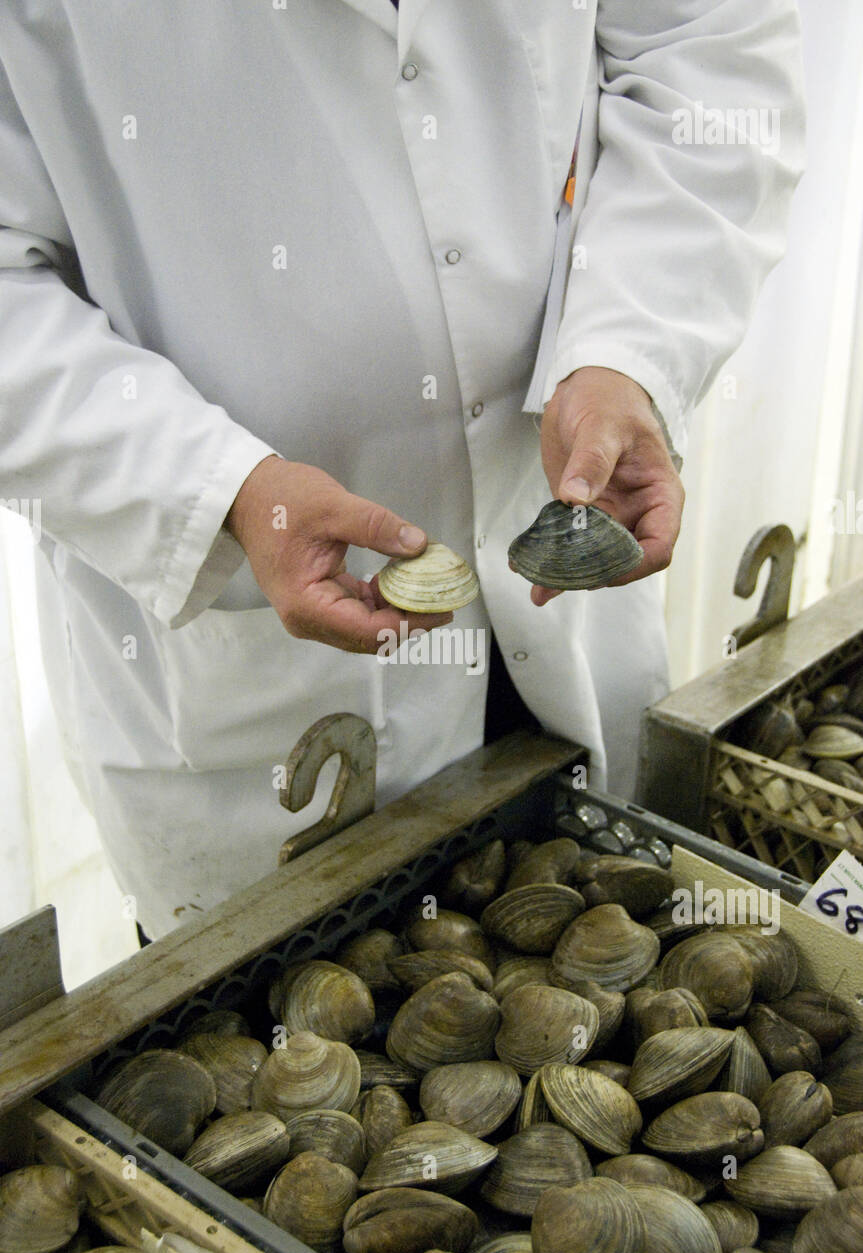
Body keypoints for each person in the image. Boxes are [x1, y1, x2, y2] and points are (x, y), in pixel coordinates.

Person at [0, 2, 805, 939]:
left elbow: (703, 43)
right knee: (282, 1034)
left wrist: (628, 347)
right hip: (254, 659)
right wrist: (213, 491)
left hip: (552, 570)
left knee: (595, 944)